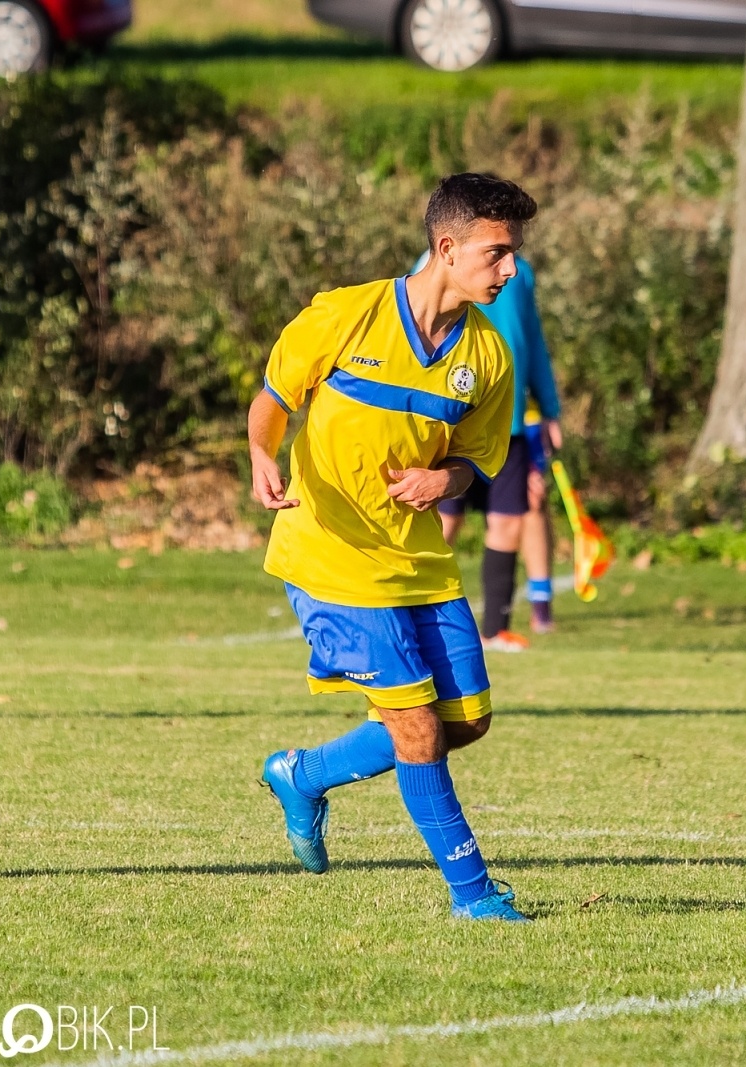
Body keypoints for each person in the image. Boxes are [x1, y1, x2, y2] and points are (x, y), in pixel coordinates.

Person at [246, 173, 534, 921]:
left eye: (515, 254)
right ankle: (474, 895)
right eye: (497, 253)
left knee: (464, 720)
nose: (512, 269)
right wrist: (262, 455)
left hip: (416, 560)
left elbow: (475, 459)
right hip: (330, 554)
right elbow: (273, 400)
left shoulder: (489, 358)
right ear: (446, 246)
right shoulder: (346, 314)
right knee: (415, 726)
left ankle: (303, 775)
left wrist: (446, 479)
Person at [435, 254, 564, 652]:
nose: (504, 261)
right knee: (442, 523)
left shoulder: (520, 273)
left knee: (508, 521)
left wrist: (549, 407)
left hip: (508, 425)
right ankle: (402, 608)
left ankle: (495, 628)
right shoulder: (434, 264)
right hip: (456, 421)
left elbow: (531, 339)